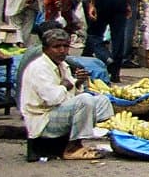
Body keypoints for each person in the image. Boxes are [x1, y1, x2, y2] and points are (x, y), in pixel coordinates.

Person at [19, 27, 112, 162]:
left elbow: (71, 94)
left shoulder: (62, 65)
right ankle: (73, 147)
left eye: (65, 46)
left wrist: (78, 83)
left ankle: (76, 139)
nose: (62, 50)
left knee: (103, 101)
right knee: (85, 100)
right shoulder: (39, 68)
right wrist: (65, 86)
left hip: (57, 111)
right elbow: (53, 99)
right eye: (57, 47)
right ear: (45, 49)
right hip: (42, 119)